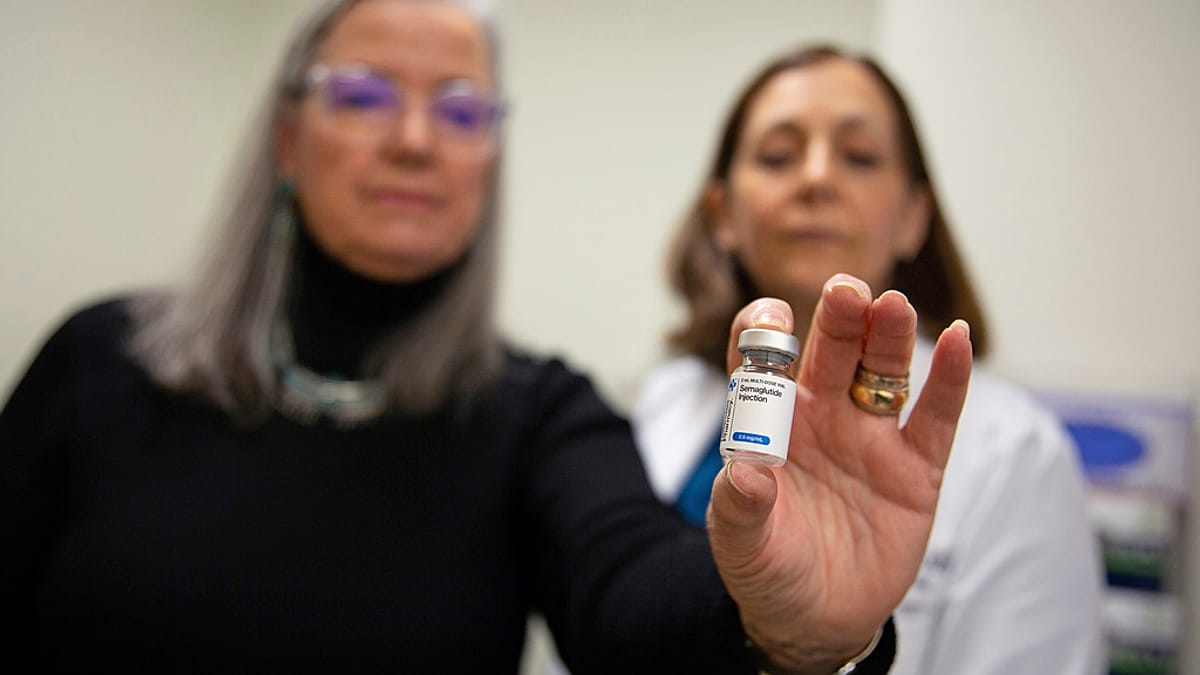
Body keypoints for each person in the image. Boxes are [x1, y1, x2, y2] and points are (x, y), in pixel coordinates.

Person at [0, 4, 974, 673]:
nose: (416, 140)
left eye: (462, 109)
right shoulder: (99, 361)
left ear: (489, 161)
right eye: (365, 95)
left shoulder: (537, 414)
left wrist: (782, 627)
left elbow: (633, 594)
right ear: (288, 140)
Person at [634, 44, 1105, 674]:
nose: (817, 178)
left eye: (859, 156)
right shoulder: (665, 400)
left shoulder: (1014, 451)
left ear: (914, 217)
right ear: (723, 215)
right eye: (778, 156)